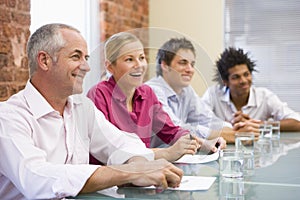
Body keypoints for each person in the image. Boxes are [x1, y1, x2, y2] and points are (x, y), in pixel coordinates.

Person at [0, 23, 185, 199]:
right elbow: (37, 178)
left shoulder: (82, 107)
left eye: (86, 58)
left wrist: (140, 165)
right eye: (76, 57)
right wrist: (129, 172)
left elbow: (119, 144)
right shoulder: (8, 117)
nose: (87, 67)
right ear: (44, 60)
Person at [87, 32, 226, 163]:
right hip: (110, 181)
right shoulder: (99, 94)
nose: (139, 65)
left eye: (141, 58)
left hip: (143, 175)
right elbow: (111, 151)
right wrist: (166, 153)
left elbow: (171, 131)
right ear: (110, 67)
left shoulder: (146, 93)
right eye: (129, 59)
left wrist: (203, 144)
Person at [146, 38, 260, 143]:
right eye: (183, 63)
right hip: (152, 160)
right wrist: (235, 136)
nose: (190, 70)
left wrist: (236, 129)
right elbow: (177, 131)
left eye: (192, 64)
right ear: (165, 65)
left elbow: (209, 120)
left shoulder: (186, 91)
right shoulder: (152, 91)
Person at [202, 47, 300, 131]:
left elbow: (297, 122)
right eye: (236, 77)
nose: (243, 80)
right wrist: (231, 126)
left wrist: (258, 124)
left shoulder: (264, 96)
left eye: (246, 74)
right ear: (225, 82)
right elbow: (198, 121)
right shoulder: (212, 94)